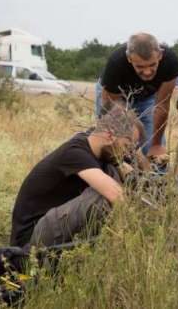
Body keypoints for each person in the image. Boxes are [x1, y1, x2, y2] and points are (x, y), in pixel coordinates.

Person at [9, 106, 147, 248]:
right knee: (103, 195)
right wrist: (140, 234)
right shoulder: (75, 152)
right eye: (126, 145)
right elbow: (116, 195)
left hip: (50, 227)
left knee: (113, 173)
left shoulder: (95, 146)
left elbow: (133, 176)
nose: (126, 153)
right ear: (110, 135)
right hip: (30, 239)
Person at [95, 32, 178, 156]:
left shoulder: (170, 62)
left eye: (152, 65)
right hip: (116, 97)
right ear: (129, 58)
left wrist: (156, 145)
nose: (147, 72)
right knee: (114, 141)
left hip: (147, 96)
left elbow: (162, 105)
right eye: (140, 67)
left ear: (160, 55)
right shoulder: (116, 63)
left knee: (153, 145)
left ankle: (156, 174)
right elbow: (111, 111)